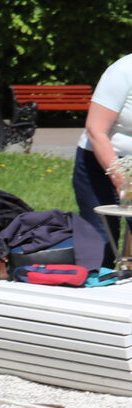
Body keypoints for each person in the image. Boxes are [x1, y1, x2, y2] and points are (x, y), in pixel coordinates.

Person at [72, 49, 132, 266]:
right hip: (99, 162)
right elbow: (96, 129)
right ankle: (97, 278)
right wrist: (122, 182)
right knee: (101, 245)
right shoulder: (124, 70)